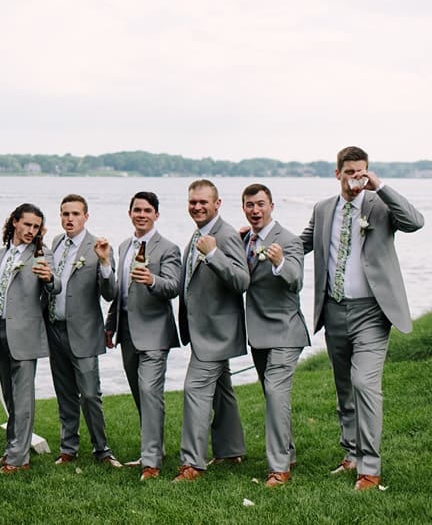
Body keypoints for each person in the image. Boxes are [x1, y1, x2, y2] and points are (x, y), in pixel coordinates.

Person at [299, 146, 424, 491]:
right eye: (350, 172)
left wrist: (379, 186)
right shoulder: (324, 209)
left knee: (365, 384)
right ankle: (351, 454)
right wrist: (256, 242)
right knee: (345, 389)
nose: (356, 178)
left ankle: (370, 468)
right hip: (334, 310)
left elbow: (416, 222)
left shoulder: (380, 205)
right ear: (337, 173)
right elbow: (301, 244)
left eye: (362, 172)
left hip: (372, 312)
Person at [174, 179, 249, 482]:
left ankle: (192, 464)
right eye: (193, 202)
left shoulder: (224, 235)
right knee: (222, 391)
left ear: (217, 203)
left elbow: (242, 280)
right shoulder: (199, 233)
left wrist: (215, 254)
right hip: (202, 330)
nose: (197, 207)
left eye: (203, 202)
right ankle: (232, 450)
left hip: (217, 332)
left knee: (195, 391)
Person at [104, 191, 182, 481]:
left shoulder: (168, 248)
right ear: (130, 213)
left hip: (154, 332)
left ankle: (152, 462)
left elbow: (173, 286)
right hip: (127, 332)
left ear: (156, 215)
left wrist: (151, 280)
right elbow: (120, 293)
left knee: (150, 393)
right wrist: (110, 325)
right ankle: (154, 449)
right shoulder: (125, 246)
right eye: (137, 210)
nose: (141, 214)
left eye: (147, 210)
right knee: (141, 395)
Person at [45, 194, 122, 469]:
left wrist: (103, 264)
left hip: (85, 331)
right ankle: (69, 448)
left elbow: (110, 293)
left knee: (90, 394)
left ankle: (102, 449)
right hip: (55, 329)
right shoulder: (55, 244)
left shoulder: (98, 247)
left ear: (86, 217)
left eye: (75, 214)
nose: (69, 219)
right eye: (65, 213)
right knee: (65, 392)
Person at [240, 183, 309, 488]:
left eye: (260, 204)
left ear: (271, 206)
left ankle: (279, 468)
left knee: (277, 394)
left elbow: (295, 282)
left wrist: (279, 261)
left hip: (285, 330)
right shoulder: (245, 239)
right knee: (271, 395)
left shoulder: (289, 241)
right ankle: (288, 452)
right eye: (250, 205)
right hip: (257, 332)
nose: (255, 210)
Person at [0, 203, 59, 473]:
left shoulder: (41, 255)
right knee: (9, 397)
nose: (31, 231)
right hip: (0, 333)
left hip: (26, 334)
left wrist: (49, 277)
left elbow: (56, 286)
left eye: (36, 227)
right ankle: (12, 451)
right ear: (15, 222)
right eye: (27, 224)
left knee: (23, 398)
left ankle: (19, 460)